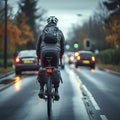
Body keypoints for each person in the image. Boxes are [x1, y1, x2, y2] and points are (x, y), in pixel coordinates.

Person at [36, 16, 65, 100]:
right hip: (55, 53)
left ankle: (41, 89)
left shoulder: (42, 33)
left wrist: (39, 57)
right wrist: (60, 56)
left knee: (43, 68)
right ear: (56, 23)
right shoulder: (59, 32)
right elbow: (62, 47)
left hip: (44, 52)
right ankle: (56, 91)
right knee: (56, 69)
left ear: (47, 23)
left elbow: (38, 47)